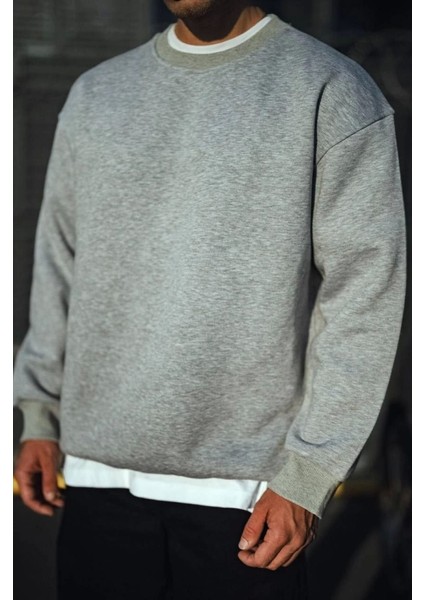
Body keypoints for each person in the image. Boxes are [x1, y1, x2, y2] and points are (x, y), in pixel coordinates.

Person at [13, 1, 407, 598]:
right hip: (97, 484)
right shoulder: (96, 94)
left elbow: (363, 292)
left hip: (246, 497)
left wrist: (309, 474)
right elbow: (58, 262)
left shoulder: (328, 88)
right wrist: (39, 412)